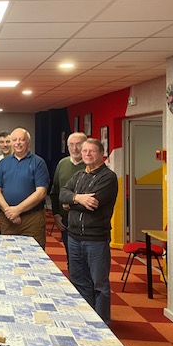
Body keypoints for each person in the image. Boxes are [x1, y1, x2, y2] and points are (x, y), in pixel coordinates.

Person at [59, 138, 118, 325]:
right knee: (78, 280)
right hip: (74, 237)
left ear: (101, 154)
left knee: (99, 284)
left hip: (96, 240)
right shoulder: (79, 175)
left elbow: (93, 204)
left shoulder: (108, 177)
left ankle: (102, 324)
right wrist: (78, 198)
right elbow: (62, 193)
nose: (87, 154)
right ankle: (86, 319)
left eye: (92, 151)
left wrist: (71, 202)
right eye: (85, 151)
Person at [0, 128, 50, 248]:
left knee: (34, 254)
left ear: (28, 142)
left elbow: (41, 192)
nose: (18, 143)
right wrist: (8, 211)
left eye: (21, 140)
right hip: (7, 218)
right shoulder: (3, 163)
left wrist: (18, 210)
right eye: (14, 140)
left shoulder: (38, 162)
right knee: (8, 253)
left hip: (32, 219)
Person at [49, 132, 87, 262]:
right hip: (65, 220)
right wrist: (56, 214)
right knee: (71, 258)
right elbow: (55, 192)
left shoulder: (91, 165)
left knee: (87, 259)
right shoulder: (62, 164)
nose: (74, 148)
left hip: (87, 222)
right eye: (71, 144)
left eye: (78, 144)